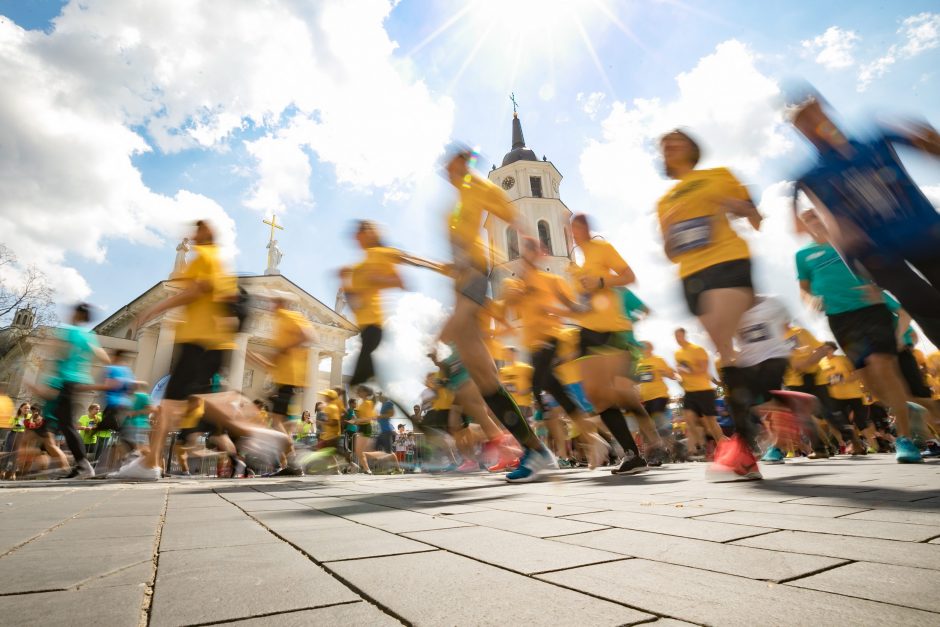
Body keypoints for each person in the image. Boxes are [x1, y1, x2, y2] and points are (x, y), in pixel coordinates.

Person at [115, 220, 292, 480]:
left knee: (176, 404)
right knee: (188, 402)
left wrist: (155, 308)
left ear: (205, 234)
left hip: (200, 341)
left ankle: (150, 464)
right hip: (210, 342)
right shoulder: (216, 261)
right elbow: (222, 298)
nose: (191, 234)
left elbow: (196, 291)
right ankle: (151, 463)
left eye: (196, 230)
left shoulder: (206, 257)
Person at [786, 84, 940, 345]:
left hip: (925, 234)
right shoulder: (810, 175)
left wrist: (925, 136)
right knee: (925, 305)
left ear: (825, 109)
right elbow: (804, 227)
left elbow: (931, 146)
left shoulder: (875, 139)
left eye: (814, 113)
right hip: (879, 254)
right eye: (803, 122)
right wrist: (844, 239)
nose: (812, 124)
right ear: (799, 131)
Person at [437, 144, 552, 482]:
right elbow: (462, 243)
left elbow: (512, 216)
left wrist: (529, 239)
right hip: (462, 278)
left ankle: (534, 451)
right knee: (486, 381)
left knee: (459, 350)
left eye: (453, 161)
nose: (448, 167)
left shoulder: (479, 187)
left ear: (464, 161)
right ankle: (532, 450)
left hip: (473, 275)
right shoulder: (457, 203)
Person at [657, 129, 765, 480]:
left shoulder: (718, 176)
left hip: (728, 262)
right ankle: (773, 407)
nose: (669, 145)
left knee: (727, 351)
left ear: (692, 147)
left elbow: (754, 215)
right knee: (725, 353)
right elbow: (670, 251)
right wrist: (675, 233)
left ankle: (746, 448)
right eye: (664, 144)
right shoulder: (665, 201)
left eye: (677, 140)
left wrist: (733, 206)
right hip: (692, 277)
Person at [796, 208, 922, 462]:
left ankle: (905, 440)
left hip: (872, 310)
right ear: (805, 226)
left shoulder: (851, 242)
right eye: (808, 219)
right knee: (871, 383)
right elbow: (804, 289)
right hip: (841, 319)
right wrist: (811, 300)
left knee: (882, 365)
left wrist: (879, 286)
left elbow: (884, 264)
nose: (814, 221)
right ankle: (905, 408)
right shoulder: (804, 255)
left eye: (818, 215)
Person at [565, 213, 650, 475]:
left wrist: (602, 281)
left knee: (622, 394)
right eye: (572, 227)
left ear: (588, 228)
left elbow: (628, 276)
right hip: (587, 331)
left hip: (612, 328)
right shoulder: (573, 266)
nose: (575, 230)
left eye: (580, 225)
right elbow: (582, 303)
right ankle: (632, 454)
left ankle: (649, 442)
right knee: (596, 396)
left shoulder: (602, 249)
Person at [32, 303, 110, 479]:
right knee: (60, 424)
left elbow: (57, 351)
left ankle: (83, 465)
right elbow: (102, 356)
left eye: (73, 312)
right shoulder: (89, 336)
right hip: (76, 383)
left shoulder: (71, 333)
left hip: (65, 382)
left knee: (66, 425)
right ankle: (75, 464)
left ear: (78, 315)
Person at [251, 290, 315, 476]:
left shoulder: (290, 316)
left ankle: (295, 456)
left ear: (280, 303)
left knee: (277, 421)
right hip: (284, 379)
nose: (270, 306)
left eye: (273, 302)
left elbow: (307, 336)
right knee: (283, 423)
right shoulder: (281, 320)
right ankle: (291, 462)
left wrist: (283, 350)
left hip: (290, 378)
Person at [674, 328, 726, 457]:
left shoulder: (697, 350)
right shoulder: (677, 353)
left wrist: (688, 371)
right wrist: (679, 377)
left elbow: (703, 369)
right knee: (689, 419)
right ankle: (700, 447)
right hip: (689, 392)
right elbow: (681, 371)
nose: (678, 339)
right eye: (676, 337)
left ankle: (723, 444)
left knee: (710, 423)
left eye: (679, 336)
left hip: (704, 390)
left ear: (684, 335)